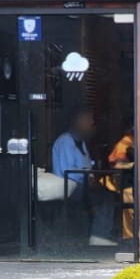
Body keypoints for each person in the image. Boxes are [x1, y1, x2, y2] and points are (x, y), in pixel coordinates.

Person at [52, 104, 118, 246]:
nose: (91, 123)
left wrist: (91, 178)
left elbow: (86, 167)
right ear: (78, 120)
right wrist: (87, 177)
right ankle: (99, 235)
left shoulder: (81, 142)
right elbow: (67, 171)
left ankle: (103, 234)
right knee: (105, 197)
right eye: (88, 119)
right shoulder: (65, 140)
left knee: (110, 194)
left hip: (82, 185)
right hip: (71, 187)